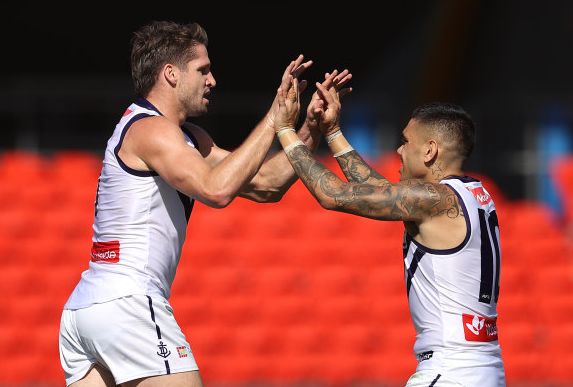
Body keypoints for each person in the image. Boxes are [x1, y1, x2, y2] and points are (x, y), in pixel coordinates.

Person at [58, 20, 352, 387]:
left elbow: (264, 185)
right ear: (170, 74)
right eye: (203, 70)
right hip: (127, 300)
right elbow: (217, 190)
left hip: (88, 310)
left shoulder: (184, 136)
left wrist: (310, 130)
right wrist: (275, 119)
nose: (212, 81)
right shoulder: (152, 129)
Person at [273, 79, 505, 386]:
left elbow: (334, 195)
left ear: (430, 151)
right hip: (483, 366)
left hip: (450, 371)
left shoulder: (433, 198)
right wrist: (333, 133)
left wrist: (286, 131)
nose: (399, 149)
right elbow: (381, 192)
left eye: (407, 141)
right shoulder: (473, 194)